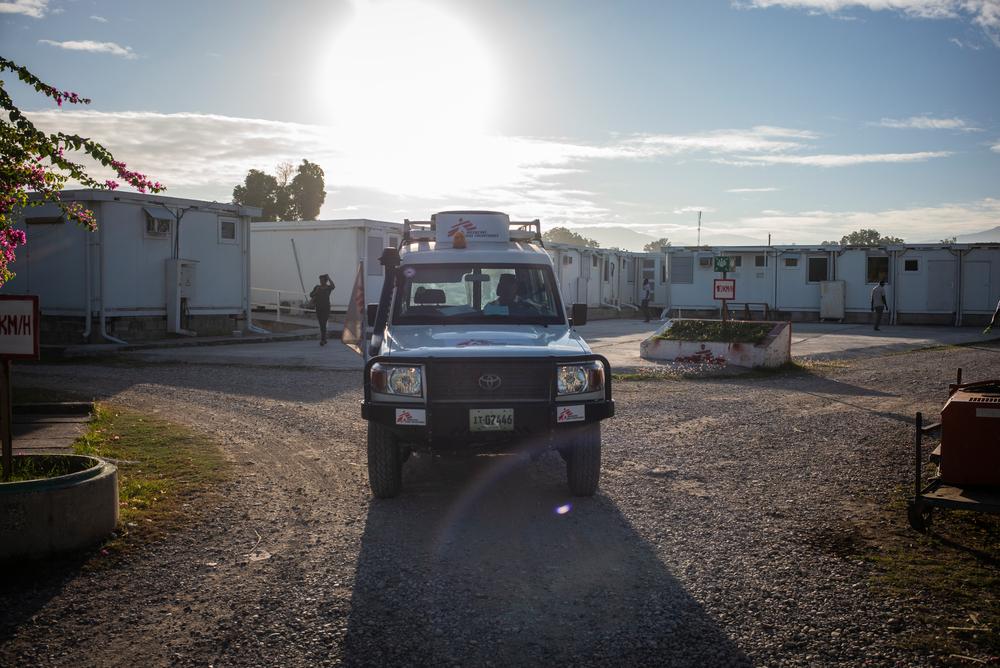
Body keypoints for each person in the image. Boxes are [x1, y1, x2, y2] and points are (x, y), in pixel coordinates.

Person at [310, 274, 335, 345]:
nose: (321, 281)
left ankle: (323, 340)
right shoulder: (317, 287)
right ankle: (324, 339)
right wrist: (316, 292)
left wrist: (329, 278)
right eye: (320, 280)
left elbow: (333, 286)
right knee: (321, 324)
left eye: (322, 280)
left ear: (325, 281)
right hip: (318, 308)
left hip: (326, 308)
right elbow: (311, 295)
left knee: (323, 323)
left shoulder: (328, 287)